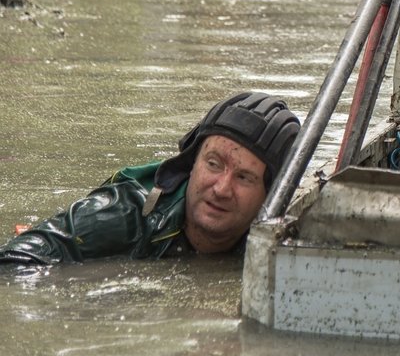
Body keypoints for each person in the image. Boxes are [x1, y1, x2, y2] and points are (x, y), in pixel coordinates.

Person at [0, 92, 301, 265]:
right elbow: (18, 259)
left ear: (270, 194)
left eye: (244, 177)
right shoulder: (126, 213)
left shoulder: (285, 239)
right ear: (190, 163)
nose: (222, 188)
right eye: (213, 163)